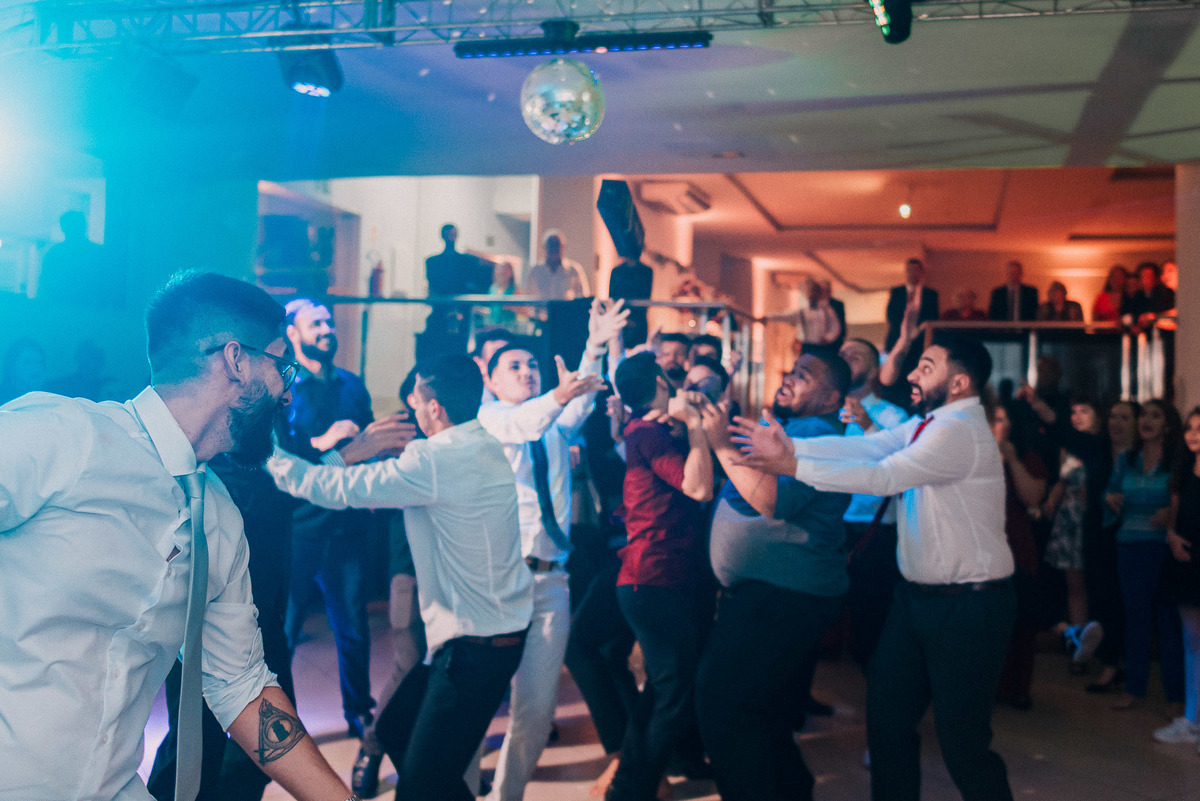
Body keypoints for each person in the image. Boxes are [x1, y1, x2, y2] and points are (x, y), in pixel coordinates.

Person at [0, 271, 355, 801]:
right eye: (282, 366)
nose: (287, 392)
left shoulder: (221, 520)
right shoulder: (65, 436)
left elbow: (241, 686)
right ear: (236, 361)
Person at [732, 333, 1016, 801]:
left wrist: (792, 466)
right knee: (886, 722)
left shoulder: (960, 430)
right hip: (917, 600)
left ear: (960, 383)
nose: (912, 375)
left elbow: (884, 476)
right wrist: (792, 448)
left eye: (926, 368)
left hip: (968, 606)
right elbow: (872, 448)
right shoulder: (930, 423)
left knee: (963, 745)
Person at [268, 353, 533, 801]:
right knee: (398, 732)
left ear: (435, 409)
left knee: (420, 788)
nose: (412, 409)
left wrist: (268, 453)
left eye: (417, 401)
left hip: (473, 651)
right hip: (489, 639)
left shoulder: (434, 459)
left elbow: (329, 488)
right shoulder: (482, 443)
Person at [477, 298, 627, 801]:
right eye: (513, 366)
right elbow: (526, 424)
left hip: (552, 582)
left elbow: (577, 401)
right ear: (490, 380)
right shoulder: (490, 419)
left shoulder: (556, 424)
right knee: (478, 705)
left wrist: (595, 345)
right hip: (502, 580)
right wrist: (558, 395)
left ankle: (506, 796)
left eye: (532, 365)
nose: (527, 371)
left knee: (538, 710)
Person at [695, 352, 851, 801]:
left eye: (804, 375)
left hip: (782, 596)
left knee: (723, 705)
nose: (790, 378)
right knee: (759, 711)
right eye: (792, 370)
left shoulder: (820, 434)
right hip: (773, 594)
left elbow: (773, 502)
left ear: (832, 397)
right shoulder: (798, 429)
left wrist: (721, 445)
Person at [606, 352, 714, 801]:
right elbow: (699, 487)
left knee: (661, 689)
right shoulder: (648, 432)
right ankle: (636, 789)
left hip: (652, 578)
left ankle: (627, 783)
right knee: (673, 693)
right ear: (658, 382)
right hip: (653, 576)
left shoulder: (644, 429)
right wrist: (697, 426)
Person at [277, 298, 378, 740]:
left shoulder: (352, 385)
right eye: (315, 323)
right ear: (292, 333)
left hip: (345, 524)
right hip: (298, 526)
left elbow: (368, 443)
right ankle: (277, 721)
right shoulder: (284, 386)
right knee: (285, 629)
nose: (326, 329)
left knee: (353, 626)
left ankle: (359, 712)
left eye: (329, 322)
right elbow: (279, 458)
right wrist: (328, 439)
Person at [1105, 399, 1185, 713]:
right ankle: (1134, 688)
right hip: (1129, 545)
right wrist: (1111, 497)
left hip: (1162, 549)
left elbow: (1186, 498)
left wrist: (1171, 513)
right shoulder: (1127, 458)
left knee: (1167, 620)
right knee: (1134, 618)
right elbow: (1109, 490)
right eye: (1144, 416)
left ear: (1168, 425)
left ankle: (1176, 696)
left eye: (1155, 416)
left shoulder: (1176, 461)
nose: (1146, 421)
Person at [837, 338, 910, 670]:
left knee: (871, 617)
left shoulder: (893, 415)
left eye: (856, 355)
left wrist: (868, 425)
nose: (846, 357)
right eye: (842, 354)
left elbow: (901, 465)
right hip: (829, 524)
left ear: (874, 368)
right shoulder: (825, 409)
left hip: (873, 530)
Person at [991, 402, 1047, 710]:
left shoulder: (1028, 457)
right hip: (985, 545)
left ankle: (1020, 687)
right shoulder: (977, 453)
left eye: (1004, 419)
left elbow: (1033, 497)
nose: (1000, 425)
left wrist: (1011, 459)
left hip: (1019, 545)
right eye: (996, 419)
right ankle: (994, 685)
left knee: (1023, 620)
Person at [1159, 407, 1200, 745]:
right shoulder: (1183, 471)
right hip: (1185, 560)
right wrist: (1171, 537)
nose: (1193, 434)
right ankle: (1191, 718)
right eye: (1189, 428)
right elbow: (1174, 518)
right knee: (1192, 641)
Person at [37, 209, 120, 306]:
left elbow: (47, 281)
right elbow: (107, 281)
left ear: (63, 228)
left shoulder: (54, 253)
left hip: (64, 306)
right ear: (84, 226)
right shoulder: (98, 253)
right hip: (92, 307)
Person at [884, 258, 938, 351]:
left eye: (915, 270)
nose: (912, 273)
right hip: (897, 339)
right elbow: (890, 315)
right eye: (909, 270)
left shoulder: (930, 294)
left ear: (921, 272)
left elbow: (933, 318)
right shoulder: (897, 292)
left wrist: (919, 329)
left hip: (921, 342)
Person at [526, 230, 590, 300]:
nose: (554, 249)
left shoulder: (574, 270)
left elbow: (583, 296)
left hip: (565, 307)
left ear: (563, 247)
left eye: (557, 245)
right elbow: (528, 296)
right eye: (551, 245)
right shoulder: (535, 271)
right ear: (544, 247)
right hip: (542, 307)